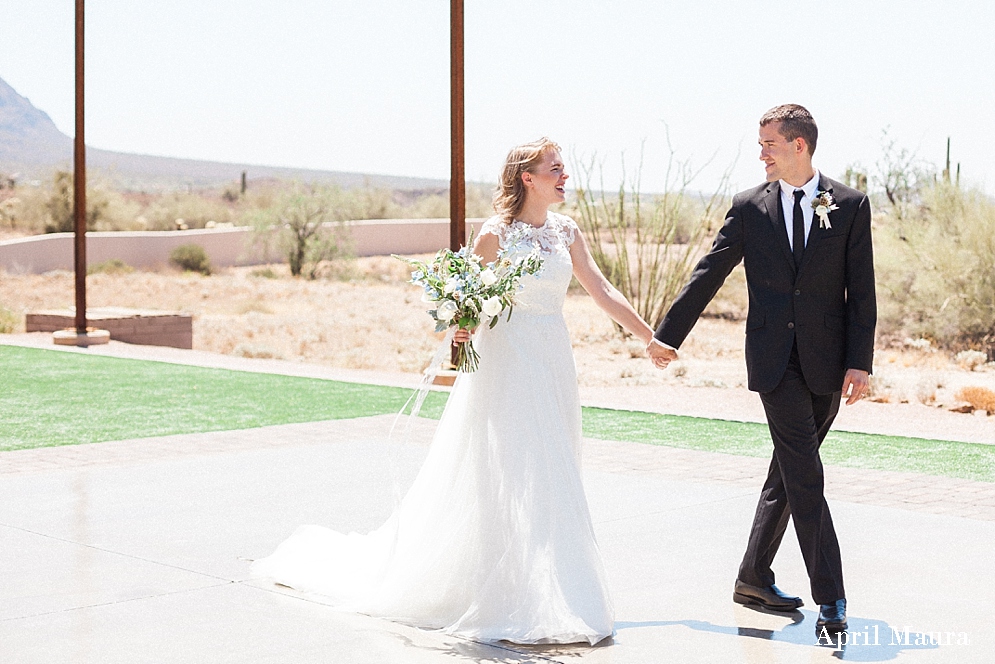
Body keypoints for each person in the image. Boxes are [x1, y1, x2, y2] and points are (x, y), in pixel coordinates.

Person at [252, 137, 655, 645]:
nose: (565, 175)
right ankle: (499, 594)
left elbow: (601, 288)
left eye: (563, 167)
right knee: (506, 468)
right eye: (555, 168)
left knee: (553, 467)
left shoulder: (566, 232)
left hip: (552, 359)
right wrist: (460, 326)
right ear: (527, 178)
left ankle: (551, 592)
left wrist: (649, 338)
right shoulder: (495, 234)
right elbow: (465, 295)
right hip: (506, 363)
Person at [647, 105, 876, 634]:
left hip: (827, 364)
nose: (761, 153)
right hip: (774, 363)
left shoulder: (848, 204)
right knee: (806, 474)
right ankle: (832, 596)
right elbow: (711, 270)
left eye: (769, 143)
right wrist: (668, 334)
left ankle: (753, 575)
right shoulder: (749, 207)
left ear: (800, 145)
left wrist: (859, 363)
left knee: (789, 472)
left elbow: (860, 291)